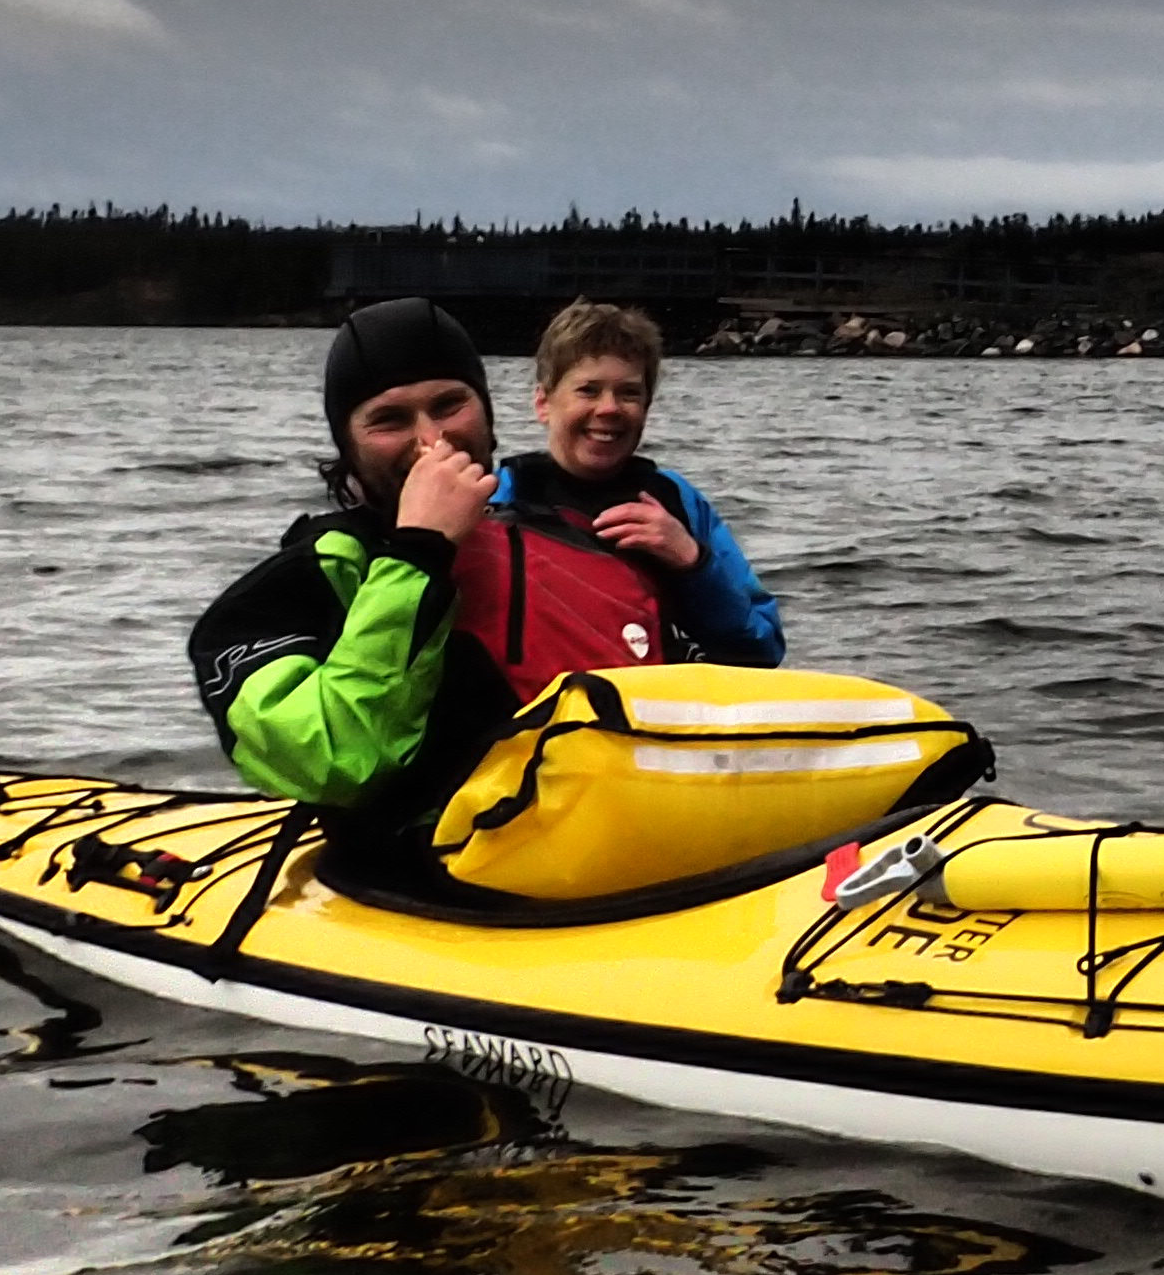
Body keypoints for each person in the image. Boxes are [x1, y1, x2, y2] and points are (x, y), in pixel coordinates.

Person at [187, 296, 521, 878]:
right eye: (390, 420)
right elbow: (332, 761)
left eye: (450, 405)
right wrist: (419, 553)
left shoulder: (571, 535)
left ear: (487, 415)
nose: (432, 441)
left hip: (591, 854)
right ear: (348, 449)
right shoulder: (276, 599)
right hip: (420, 876)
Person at [486, 300, 785, 674]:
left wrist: (691, 563)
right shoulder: (496, 500)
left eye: (628, 393)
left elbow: (762, 649)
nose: (609, 408)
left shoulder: (675, 502)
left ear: (647, 406)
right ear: (544, 403)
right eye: (588, 390)